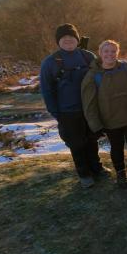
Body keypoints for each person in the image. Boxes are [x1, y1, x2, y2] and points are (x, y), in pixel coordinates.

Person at [39, 23, 108, 188]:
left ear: (77, 39)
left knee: (92, 140)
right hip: (67, 112)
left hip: (89, 109)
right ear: (58, 41)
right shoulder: (49, 63)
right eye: (64, 38)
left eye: (71, 37)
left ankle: (96, 168)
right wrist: (56, 113)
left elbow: (101, 79)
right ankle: (84, 174)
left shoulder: (87, 57)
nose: (68, 40)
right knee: (76, 144)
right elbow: (47, 90)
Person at [82, 40, 127, 188]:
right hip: (110, 119)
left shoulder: (126, 69)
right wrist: (96, 125)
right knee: (116, 147)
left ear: (117, 53)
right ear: (100, 53)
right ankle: (121, 173)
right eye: (106, 51)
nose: (109, 54)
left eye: (113, 51)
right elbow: (89, 104)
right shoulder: (93, 75)